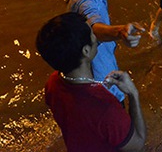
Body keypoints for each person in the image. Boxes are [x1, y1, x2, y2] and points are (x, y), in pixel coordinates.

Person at [36, 12, 146, 152]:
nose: (96, 37)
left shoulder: (53, 83)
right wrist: (133, 94)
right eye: (92, 34)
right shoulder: (105, 106)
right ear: (86, 51)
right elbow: (137, 144)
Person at [67, 0, 145, 101]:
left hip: (104, 75)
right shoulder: (85, 1)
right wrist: (120, 31)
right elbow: (95, 28)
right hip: (101, 87)